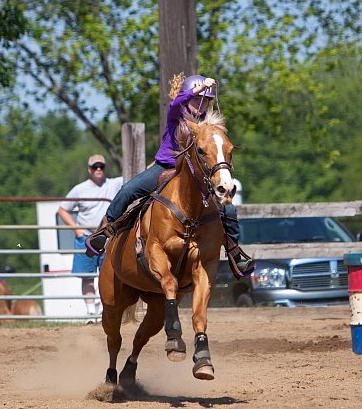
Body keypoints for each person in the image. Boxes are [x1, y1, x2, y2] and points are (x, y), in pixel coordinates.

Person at [86, 74, 254, 275]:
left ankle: (235, 254)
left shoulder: (208, 128)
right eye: (197, 100)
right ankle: (104, 233)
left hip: (194, 176)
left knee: (228, 210)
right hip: (164, 168)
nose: (201, 105)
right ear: (189, 98)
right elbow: (176, 103)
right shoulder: (176, 114)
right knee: (128, 190)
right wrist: (199, 89)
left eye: (205, 101)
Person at [57, 154, 123, 318]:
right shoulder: (80, 189)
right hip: (86, 238)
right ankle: (90, 312)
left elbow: (137, 173)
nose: (98, 169)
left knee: (107, 275)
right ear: (89, 169)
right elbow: (62, 210)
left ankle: (103, 309)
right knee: (87, 277)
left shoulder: (114, 183)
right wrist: (77, 230)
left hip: (107, 237)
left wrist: (161, 159)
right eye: (95, 167)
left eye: (101, 166)